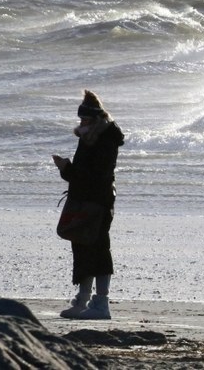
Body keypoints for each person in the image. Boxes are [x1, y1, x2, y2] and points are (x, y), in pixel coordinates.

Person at [52, 90, 125, 319]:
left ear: (96, 119)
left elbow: (96, 175)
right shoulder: (89, 136)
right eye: (80, 120)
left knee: (98, 249)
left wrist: (67, 169)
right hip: (85, 200)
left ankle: (101, 304)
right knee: (81, 249)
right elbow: (83, 176)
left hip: (98, 202)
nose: (81, 123)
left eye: (84, 119)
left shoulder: (105, 139)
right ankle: (82, 301)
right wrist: (67, 170)